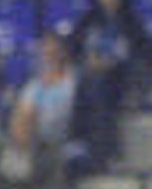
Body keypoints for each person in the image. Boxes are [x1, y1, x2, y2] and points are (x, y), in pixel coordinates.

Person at [17, 30, 113, 177]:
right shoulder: (34, 85)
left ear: (63, 53)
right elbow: (24, 117)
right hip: (38, 142)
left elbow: (81, 118)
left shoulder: (78, 82)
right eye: (46, 52)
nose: (50, 56)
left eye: (54, 51)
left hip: (68, 142)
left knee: (65, 162)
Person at [68, 0, 152, 114]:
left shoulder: (132, 23)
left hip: (121, 73)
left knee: (102, 81)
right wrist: (88, 60)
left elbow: (143, 51)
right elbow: (72, 48)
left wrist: (113, 61)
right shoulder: (86, 21)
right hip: (89, 71)